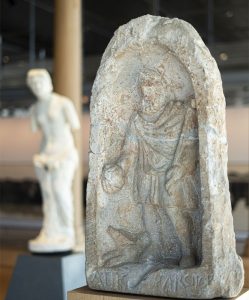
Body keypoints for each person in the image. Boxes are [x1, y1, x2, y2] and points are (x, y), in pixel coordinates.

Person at [101, 68, 200, 278]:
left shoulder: (181, 113)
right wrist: (120, 168)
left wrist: (181, 168)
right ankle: (156, 248)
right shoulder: (138, 120)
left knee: (173, 209)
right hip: (146, 173)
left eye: (153, 88)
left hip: (173, 170)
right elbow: (130, 150)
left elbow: (190, 144)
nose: (149, 94)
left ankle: (187, 251)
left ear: (163, 88)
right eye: (145, 90)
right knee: (148, 211)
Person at [27, 69, 80, 252]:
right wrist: (40, 156)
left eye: (40, 82)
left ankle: (67, 232)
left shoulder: (64, 103)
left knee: (60, 191)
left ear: (49, 83)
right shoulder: (34, 109)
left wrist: (61, 156)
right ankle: (50, 232)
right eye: (33, 84)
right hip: (45, 156)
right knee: (48, 196)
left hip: (65, 154)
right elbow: (43, 137)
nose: (37, 87)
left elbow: (74, 127)